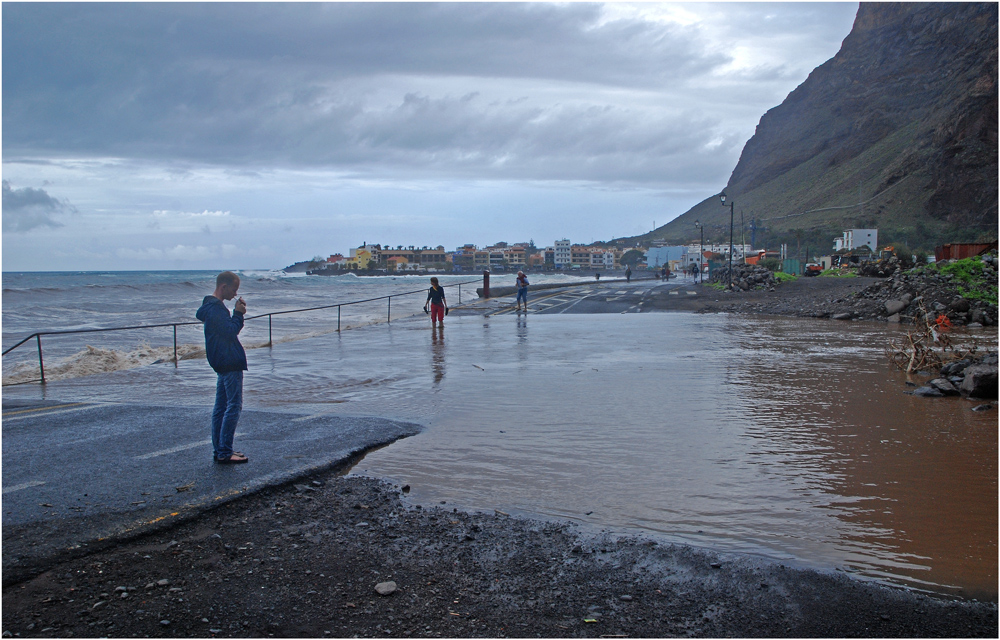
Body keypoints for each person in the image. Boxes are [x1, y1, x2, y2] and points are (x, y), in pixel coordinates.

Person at [197, 271, 249, 464]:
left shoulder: (209, 308)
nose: (235, 294)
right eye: (234, 289)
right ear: (223, 287)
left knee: (221, 407)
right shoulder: (217, 310)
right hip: (229, 362)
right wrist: (238, 314)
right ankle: (225, 451)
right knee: (233, 406)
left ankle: (220, 449)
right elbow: (230, 331)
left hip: (221, 362)